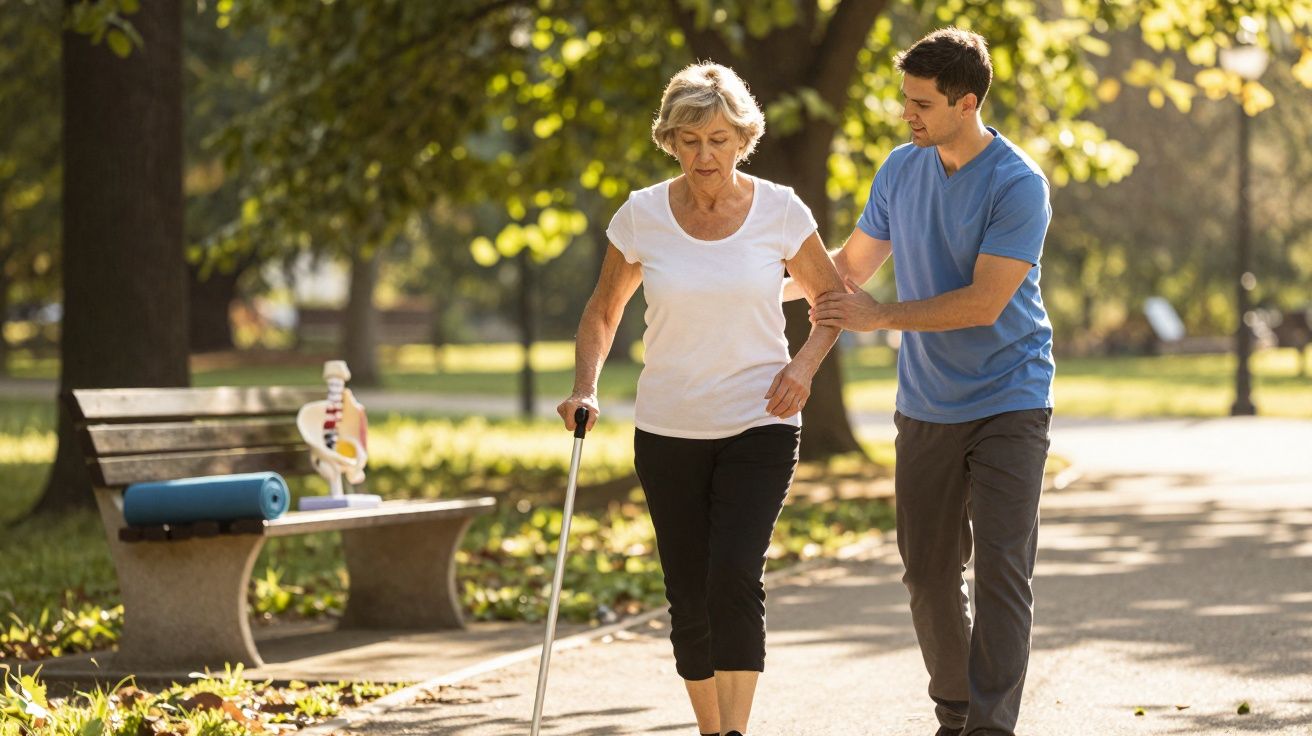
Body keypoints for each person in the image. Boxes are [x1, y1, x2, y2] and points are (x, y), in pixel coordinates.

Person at [557, 61, 845, 736]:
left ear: (743, 139)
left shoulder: (780, 210)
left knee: (734, 575)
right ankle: (710, 730)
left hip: (760, 422)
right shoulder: (642, 216)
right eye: (690, 140)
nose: (705, 154)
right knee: (688, 593)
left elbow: (832, 302)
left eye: (718, 138)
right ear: (670, 141)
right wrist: (583, 388)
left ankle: (736, 733)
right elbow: (603, 313)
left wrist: (803, 367)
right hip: (668, 429)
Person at [790, 27, 1054, 736]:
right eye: (905, 100)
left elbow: (984, 302)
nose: (908, 114)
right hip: (928, 403)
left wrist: (881, 318)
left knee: (1001, 568)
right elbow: (845, 270)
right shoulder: (901, 170)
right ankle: (957, 706)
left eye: (922, 104)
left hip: (1011, 396)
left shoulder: (1018, 182)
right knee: (928, 574)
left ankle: (990, 726)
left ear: (966, 103)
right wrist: (744, 284)